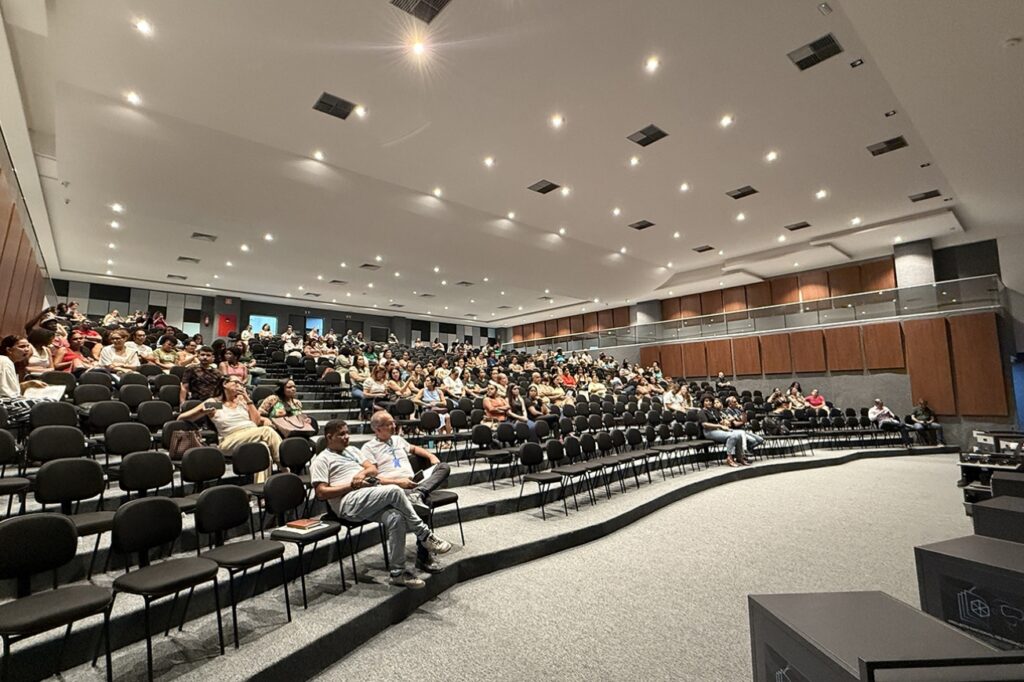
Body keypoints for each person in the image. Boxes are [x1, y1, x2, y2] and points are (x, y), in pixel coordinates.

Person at [310, 420, 452, 589]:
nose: (347, 436)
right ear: (329, 437)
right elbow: (321, 493)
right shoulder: (322, 460)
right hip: (347, 503)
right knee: (394, 491)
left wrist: (361, 474)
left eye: (347, 432)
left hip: (367, 496)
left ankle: (397, 573)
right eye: (341, 434)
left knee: (396, 518)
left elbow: (373, 470)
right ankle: (425, 535)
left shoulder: (352, 451)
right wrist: (352, 485)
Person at [361, 411, 455, 573]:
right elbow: (374, 478)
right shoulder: (368, 448)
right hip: (394, 488)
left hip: (415, 483)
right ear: (377, 429)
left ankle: (419, 493)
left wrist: (431, 456)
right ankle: (424, 558)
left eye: (393, 422)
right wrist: (399, 482)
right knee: (424, 504)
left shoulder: (398, 439)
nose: (394, 426)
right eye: (389, 424)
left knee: (443, 467)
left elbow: (415, 449)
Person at [180, 375, 282, 477]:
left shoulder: (242, 400)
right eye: (236, 383)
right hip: (229, 440)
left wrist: (247, 398)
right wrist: (202, 412)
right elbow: (182, 418)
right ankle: (284, 466)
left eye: (241, 384)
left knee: (263, 448)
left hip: (251, 434)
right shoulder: (215, 403)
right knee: (267, 431)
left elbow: (256, 422)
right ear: (225, 384)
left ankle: (262, 484)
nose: (239, 386)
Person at [0, 335, 53, 421]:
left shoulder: (15, 364)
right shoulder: (4, 361)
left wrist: (27, 384)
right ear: (9, 350)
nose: (27, 349)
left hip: (9, 401)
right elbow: (8, 395)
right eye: (22, 346)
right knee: (48, 403)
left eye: (28, 346)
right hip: (3, 404)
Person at [697, 395, 750, 467]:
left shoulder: (713, 410)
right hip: (709, 432)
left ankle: (739, 457)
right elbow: (705, 424)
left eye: (710, 401)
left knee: (739, 435)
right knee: (732, 436)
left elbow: (719, 420)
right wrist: (720, 426)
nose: (709, 402)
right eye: (706, 401)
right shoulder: (701, 412)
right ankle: (729, 457)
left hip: (718, 430)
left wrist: (724, 422)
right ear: (703, 402)